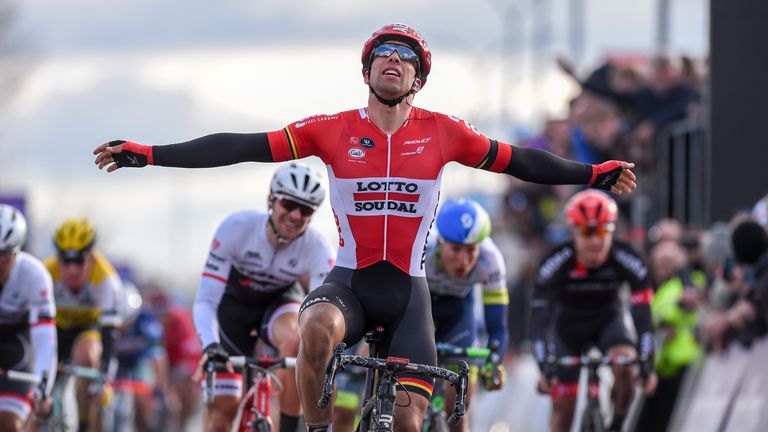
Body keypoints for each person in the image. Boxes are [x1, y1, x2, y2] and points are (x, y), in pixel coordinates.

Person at [93, 23, 636, 431]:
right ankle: (315, 425)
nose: (392, 60)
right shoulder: (332, 131)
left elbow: (521, 160)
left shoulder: (445, 133)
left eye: (405, 57)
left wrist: (592, 174)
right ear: (367, 71)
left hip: (407, 295)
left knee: (406, 421)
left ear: (418, 78)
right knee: (313, 331)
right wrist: (151, 154)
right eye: (382, 54)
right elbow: (240, 145)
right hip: (349, 282)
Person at [190, 162, 335, 432]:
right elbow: (206, 301)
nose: (294, 215)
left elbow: (319, 317)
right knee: (222, 414)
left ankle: (290, 428)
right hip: (233, 313)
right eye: (288, 204)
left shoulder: (317, 248)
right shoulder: (236, 229)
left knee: (297, 341)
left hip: (280, 306)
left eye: (304, 210)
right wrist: (210, 346)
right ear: (271, 200)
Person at [530, 190, 656, 432]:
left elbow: (642, 315)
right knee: (563, 407)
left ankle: (616, 425)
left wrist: (646, 362)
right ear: (574, 233)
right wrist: (544, 365)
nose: (595, 241)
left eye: (602, 231)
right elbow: (539, 319)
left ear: (612, 231)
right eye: (587, 232)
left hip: (609, 322)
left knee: (626, 368)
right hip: (566, 328)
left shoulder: (628, 258)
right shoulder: (554, 261)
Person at [427, 197, 508, 432]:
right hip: (420, 303)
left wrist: (494, 363)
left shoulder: (490, 260)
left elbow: (498, 327)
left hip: (458, 311)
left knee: (458, 408)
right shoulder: (423, 247)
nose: (464, 261)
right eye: (456, 250)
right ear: (440, 241)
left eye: (471, 250)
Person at [44, 218, 123, 432]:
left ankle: (84, 424)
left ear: (91, 258)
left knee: (86, 357)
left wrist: (105, 374)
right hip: (56, 327)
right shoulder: (46, 272)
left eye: (79, 261)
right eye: (65, 260)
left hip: (87, 327)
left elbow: (110, 334)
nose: (71, 269)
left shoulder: (106, 279)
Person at [0, 205, 57, 432]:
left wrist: (43, 390)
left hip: (17, 348)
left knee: (9, 424)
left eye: (4, 256)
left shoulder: (34, 276)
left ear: (16, 252)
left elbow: (45, 340)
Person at [143, 283, 201, 432]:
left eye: (162, 315)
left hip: (179, 363)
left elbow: (190, 352)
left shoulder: (180, 321)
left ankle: (181, 425)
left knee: (184, 393)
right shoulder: (146, 322)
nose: (160, 320)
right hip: (159, 363)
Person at [113, 283, 170, 431]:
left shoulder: (147, 321)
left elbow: (158, 357)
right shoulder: (107, 318)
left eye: (127, 324)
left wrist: (159, 390)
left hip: (140, 363)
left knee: (141, 399)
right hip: (116, 363)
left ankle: (145, 426)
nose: (123, 329)